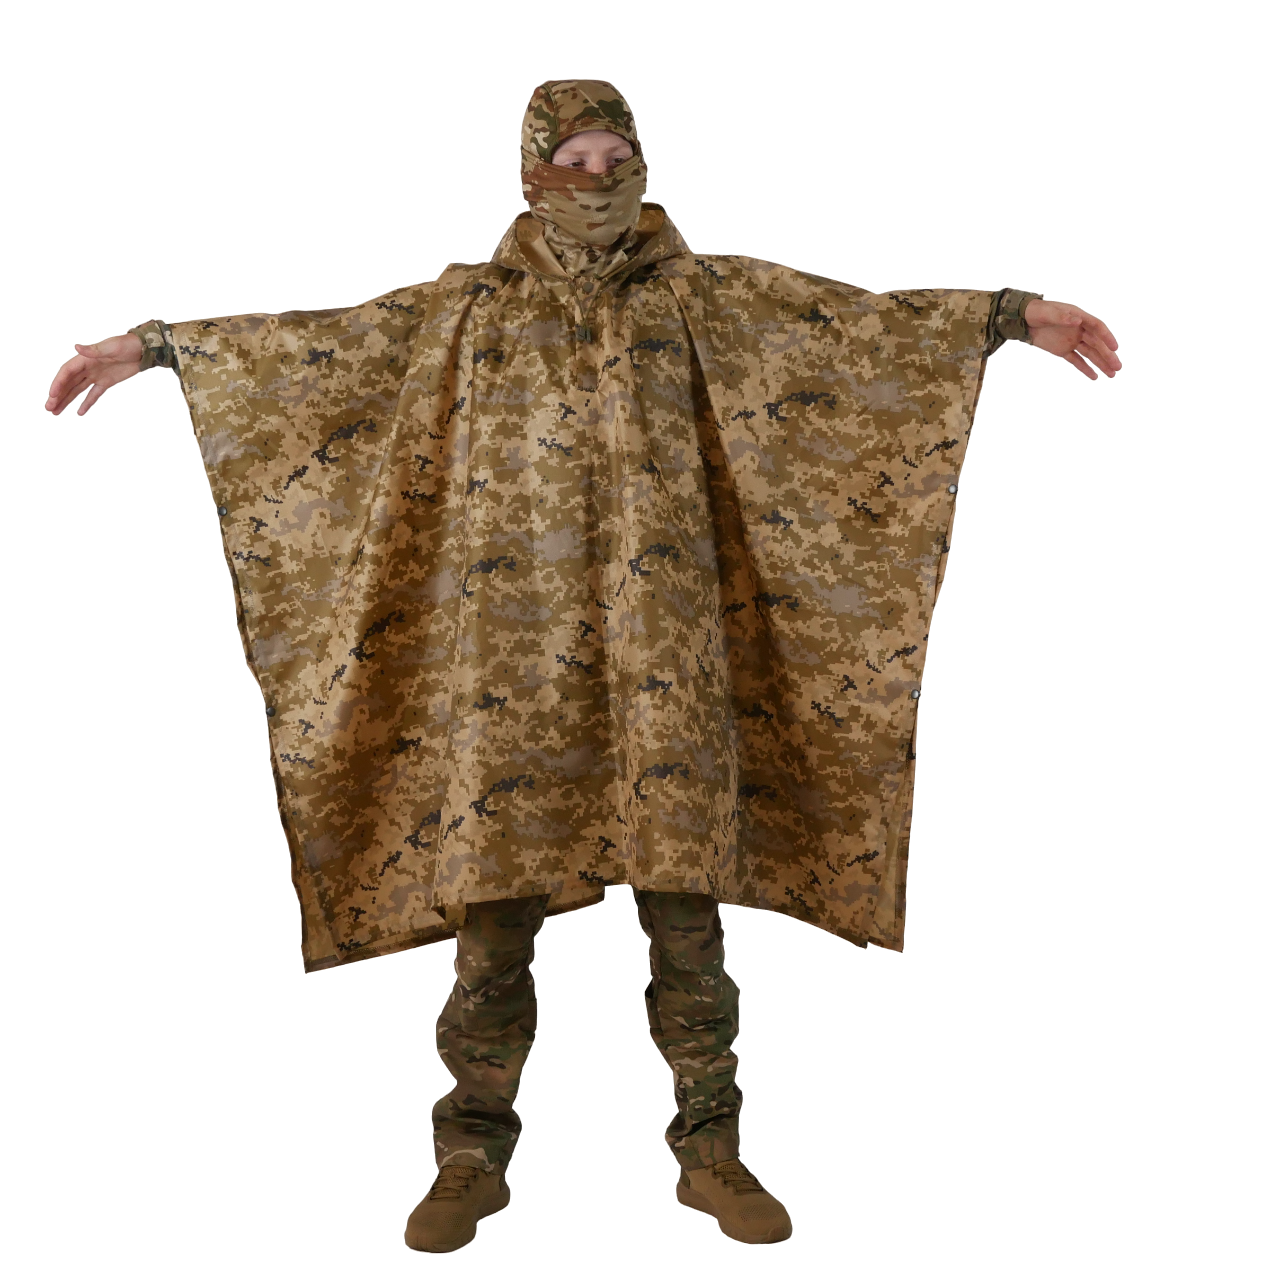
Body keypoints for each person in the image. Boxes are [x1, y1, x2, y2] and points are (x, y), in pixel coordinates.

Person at [45, 80, 1120, 1253]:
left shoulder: (702, 299)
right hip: (510, 662)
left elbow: (851, 326)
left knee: (686, 920)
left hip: (668, 651)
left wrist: (1009, 316)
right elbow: (319, 349)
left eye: (616, 157)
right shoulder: (469, 310)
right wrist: (154, 348)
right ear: (532, 171)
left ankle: (710, 1151)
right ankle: (469, 1154)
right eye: (574, 159)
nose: (597, 180)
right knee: (492, 927)